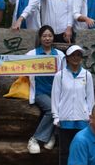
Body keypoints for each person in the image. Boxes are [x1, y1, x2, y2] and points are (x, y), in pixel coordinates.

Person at [52, 45, 95, 165]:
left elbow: (90, 98)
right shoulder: (60, 76)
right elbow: (55, 97)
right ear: (67, 58)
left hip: (82, 119)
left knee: (82, 151)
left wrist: (91, 116)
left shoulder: (87, 75)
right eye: (73, 55)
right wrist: (56, 116)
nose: (76, 58)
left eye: (78, 55)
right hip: (65, 119)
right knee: (65, 151)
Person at [25, 25, 65, 154]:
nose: (47, 38)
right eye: (44, 36)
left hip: (56, 92)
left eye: (50, 36)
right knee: (52, 109)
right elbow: (19, 67)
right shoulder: (31, 54)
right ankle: (35, 139)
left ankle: (50, 135)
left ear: (53, 38)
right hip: (39, 91)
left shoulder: (60, 55)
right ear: (40, 38)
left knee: (62, 107)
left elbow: (64, 74)